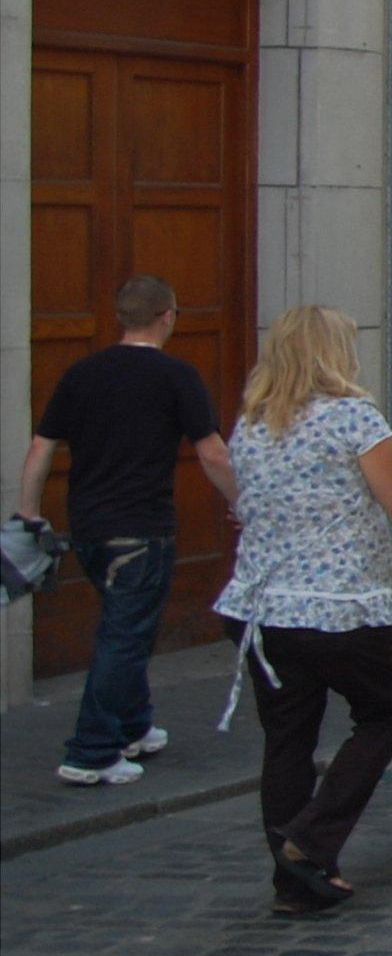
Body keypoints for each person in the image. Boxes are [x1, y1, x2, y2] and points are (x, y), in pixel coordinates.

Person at [211, 305, 392, 915]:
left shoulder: (252, 424)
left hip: (264, 608)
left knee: (288, 741)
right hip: (340, 605)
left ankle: (297, 881)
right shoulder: (353, 418)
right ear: (334, 354)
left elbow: (246, 501)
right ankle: (310, 842)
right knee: (390, 710)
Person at [16, 275, 239, 787]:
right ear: (168, 316)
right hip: (141, 528)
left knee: (127, 625)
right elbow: (212, 453)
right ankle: (91, 750)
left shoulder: (81, 374)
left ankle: (134, 726)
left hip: (88, 527)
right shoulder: (177, 376)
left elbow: (40, 448)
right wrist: (242, 504)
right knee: (124, 634)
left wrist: (29, 515)